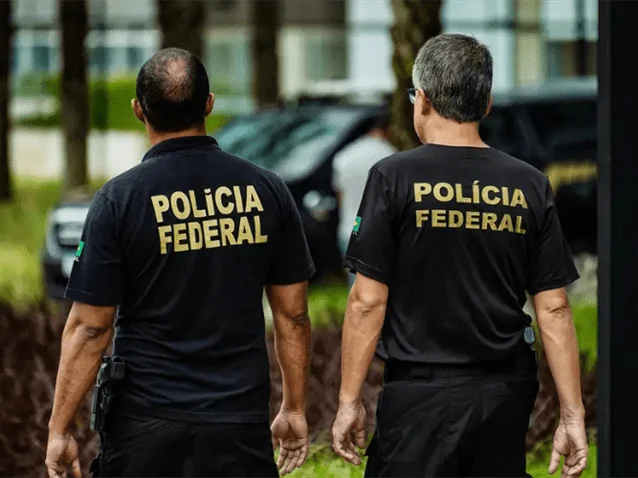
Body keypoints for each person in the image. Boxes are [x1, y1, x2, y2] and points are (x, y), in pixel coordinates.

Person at [45, 48, 315, 478]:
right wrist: (294, 408)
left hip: (146, 424)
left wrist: (60, 430)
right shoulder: (268, 190)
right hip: (238, 423)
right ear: (209, 104)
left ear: (138, 110)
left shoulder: (119, 200)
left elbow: (91, 327)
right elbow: (293, 315)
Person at [331, 34, 588, 478]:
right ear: (486, 103)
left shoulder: (393, 177)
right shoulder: (529, 183)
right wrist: (572, 414)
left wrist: (349, 401)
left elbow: (367, 301)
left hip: (419, 396)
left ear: (423, 100)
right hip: (504, 394)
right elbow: (554, 307)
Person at [332, 113, 396, 288]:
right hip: (379, 231)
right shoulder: (390, 155)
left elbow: (341, 197)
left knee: (354, 288)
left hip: (350, 228)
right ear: (387, 130)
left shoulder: (344, 155)